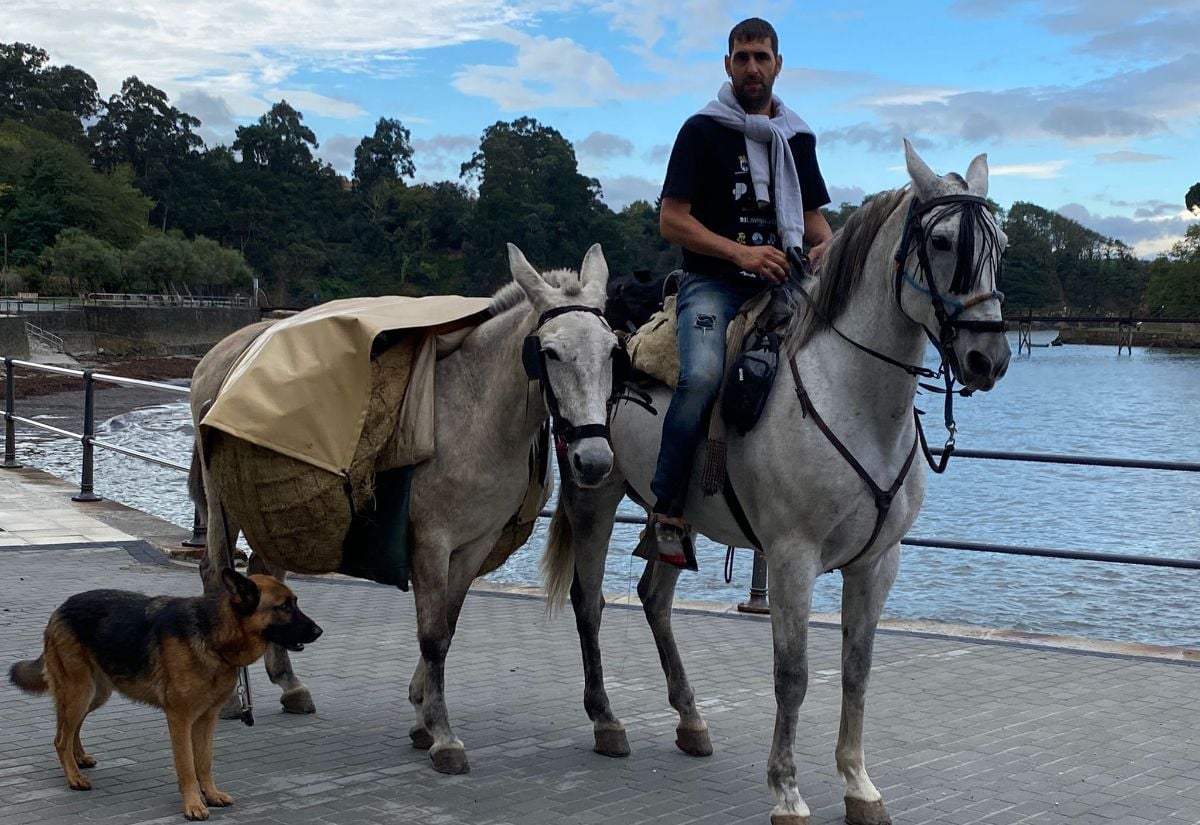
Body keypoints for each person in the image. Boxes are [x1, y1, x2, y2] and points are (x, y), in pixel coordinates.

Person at [636, 17, 833, 570]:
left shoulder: (798, 137)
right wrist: (740, 254)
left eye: (761, 57)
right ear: (727, 65)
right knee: (701, 375)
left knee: (834, 362)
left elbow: (811, 219)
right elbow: (672, 220)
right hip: (713, 283)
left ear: (778, 65)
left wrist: (828, 245)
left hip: (784, 279)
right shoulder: (701, 131)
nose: (752, 67)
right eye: (742, 57)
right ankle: (667, 507)